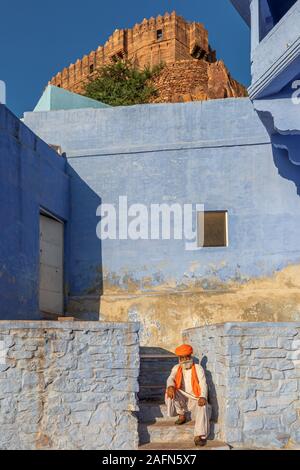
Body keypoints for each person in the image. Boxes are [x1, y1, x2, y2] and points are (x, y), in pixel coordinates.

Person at [165, 344, 210, 447]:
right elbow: (170, 378)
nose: (185, 360)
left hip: (195, 398)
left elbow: (203, 383)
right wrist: (170, 386)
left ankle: (198, 435)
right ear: (179, 358)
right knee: (171, 391)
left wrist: (203, 396)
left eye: (187, 357)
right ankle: (181, 415)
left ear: (190, 356)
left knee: (203, 405)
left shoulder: (198, 368)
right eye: (182, 357)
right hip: (182, 397)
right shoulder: (176, 368)